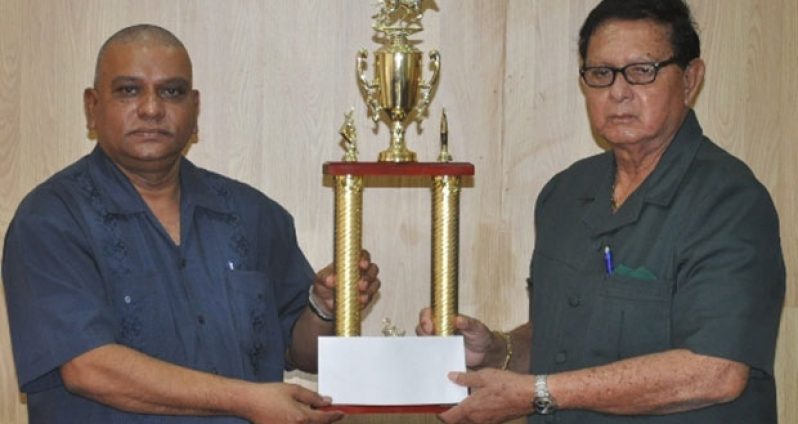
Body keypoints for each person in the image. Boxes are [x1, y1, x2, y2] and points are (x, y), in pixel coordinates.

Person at [417, 0, 785, 422]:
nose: (619, 91)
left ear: (690, 79)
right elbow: (560, 341)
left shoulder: (729, 201)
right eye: (601, 73)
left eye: (642, 71)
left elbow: (714, 371)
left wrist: (536, 392)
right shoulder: (564, 194)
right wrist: (497, 351)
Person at [2, 24, 380, 423]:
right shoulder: (51, 218)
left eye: (172, 91)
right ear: (92, 107)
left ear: (195, 109)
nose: (151, 108)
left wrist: (324, 308)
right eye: (129, 90)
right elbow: (89, 368)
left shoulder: (256, 215)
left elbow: (301, 351)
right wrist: (247, 400)